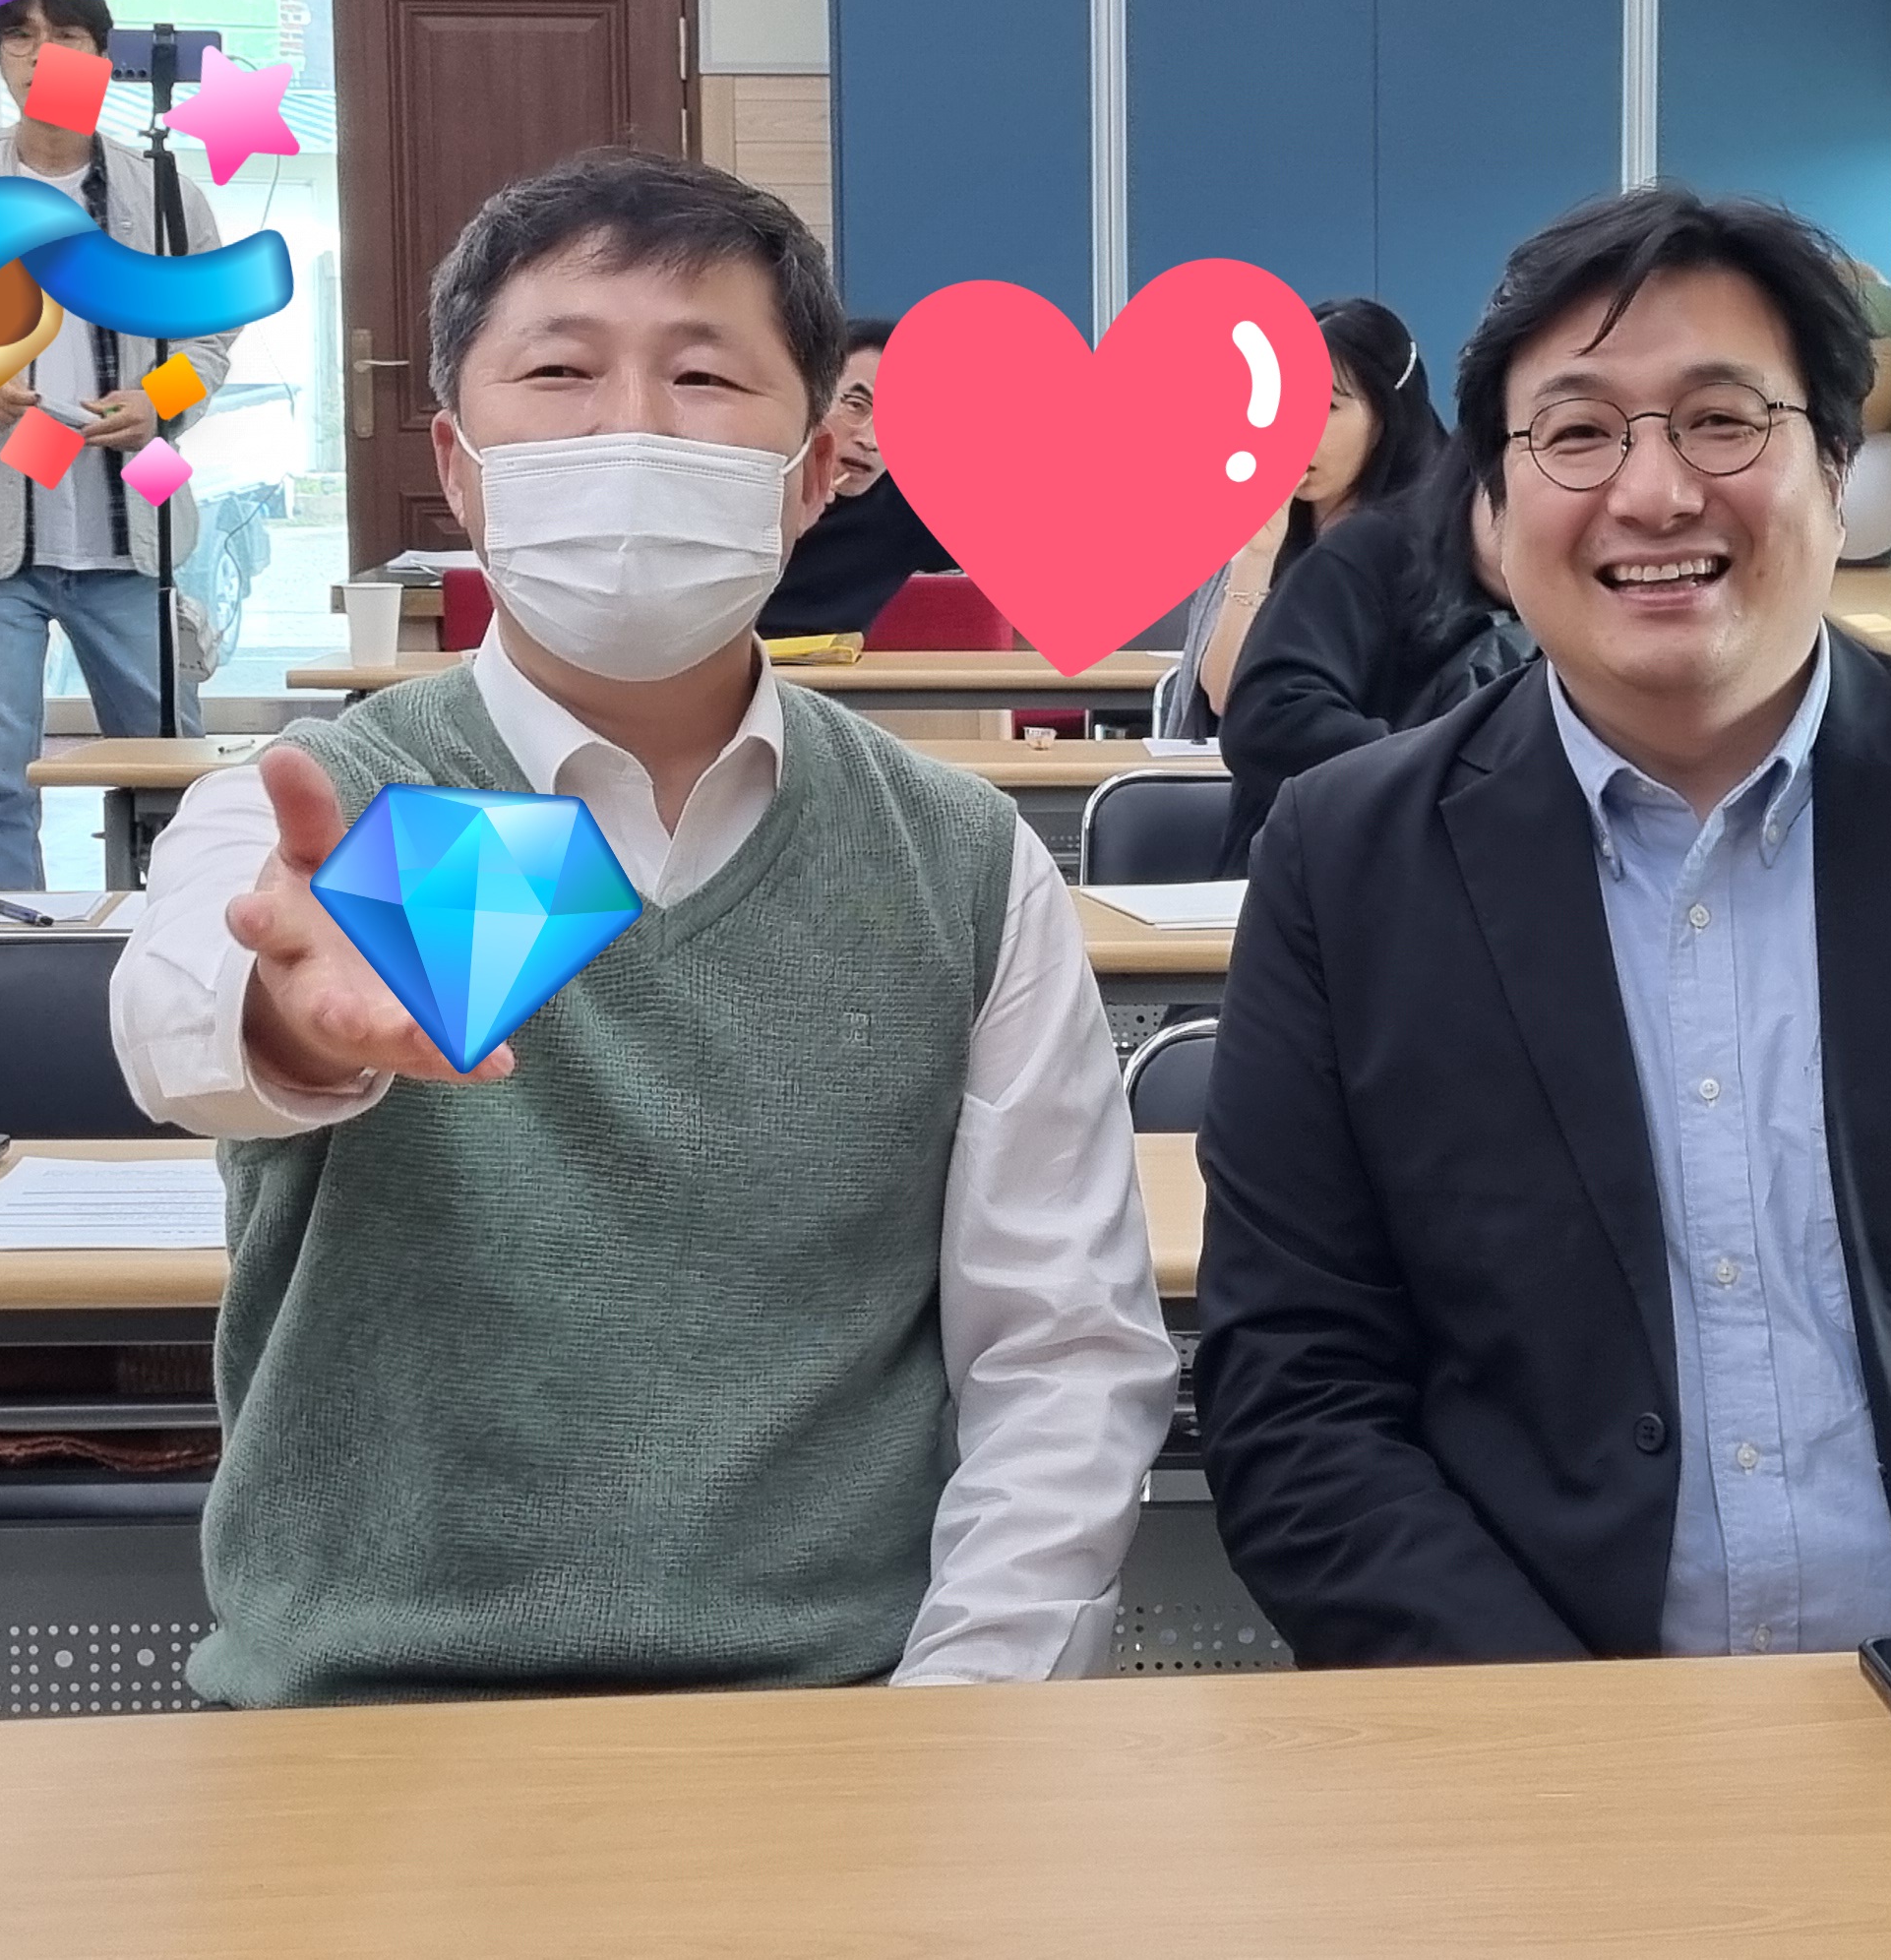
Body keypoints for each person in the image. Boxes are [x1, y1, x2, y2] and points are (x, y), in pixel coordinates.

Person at [110, 149, 1175, 1708]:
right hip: (363, 1724)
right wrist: (290, 1032)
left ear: (815, 471)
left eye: (703, 376)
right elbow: (183, 1021)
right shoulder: (341, 802)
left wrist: (952, 1731)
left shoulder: (949, 859)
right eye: (560, 372)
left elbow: (1059, 1355)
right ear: (459, 463)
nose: (631, 430)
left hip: (833, 1724)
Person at [1191, 186, 1891, 1666]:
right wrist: (1567, 1743)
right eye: (1578, 433)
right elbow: (1296, 1391)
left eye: (1723, 421)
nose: (1653, 494)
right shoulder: (1346, 865)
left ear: (1838, 471)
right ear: (1494, 501)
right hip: (1534, 1740)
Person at [0, 0, 236, 889]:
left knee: (173, 772)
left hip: (132, 533)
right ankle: (2, 950)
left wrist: (159, 402)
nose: (40, 53)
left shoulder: (162, 191)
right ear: (0, 60)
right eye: (20, 37)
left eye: (65, 37)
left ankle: (181, 931)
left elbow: (212, 335)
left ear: (99, 57)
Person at [1212, 459, 1531, 874]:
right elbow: (1264, 721)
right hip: (1322, 868)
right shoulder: (1368, 555)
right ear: (1479, 478)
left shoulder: (1576, 604)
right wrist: (1439, 774)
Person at [1152, 297, 1447, 740]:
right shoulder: (1275, 528)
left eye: (1327, 407)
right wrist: (1257, 554)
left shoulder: (1433, 541)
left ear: (1388, 414)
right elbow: (1228, 697)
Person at [764, 317, 955, 638]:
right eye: (855, 405)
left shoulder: (906, 509)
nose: (872, 440)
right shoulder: (743, 478)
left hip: (823, 668)